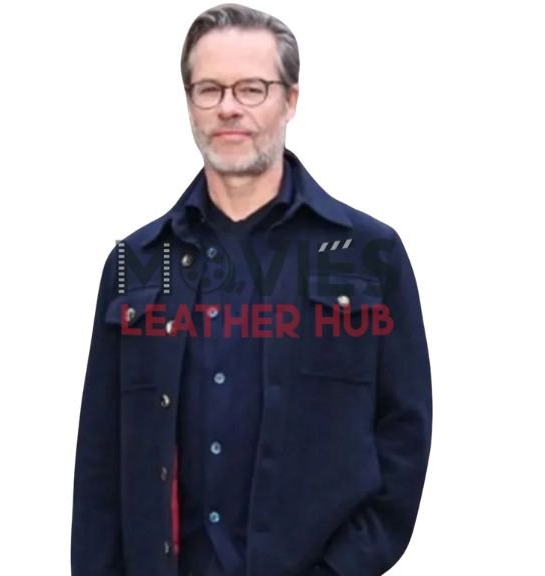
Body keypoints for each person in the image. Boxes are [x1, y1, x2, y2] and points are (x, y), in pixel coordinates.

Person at [70, 4, 432, 576]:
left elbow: (404, 441)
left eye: (252, 89)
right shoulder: (135, 264)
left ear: (291, 100)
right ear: (189, 102)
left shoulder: (370, 255)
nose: (228, 107)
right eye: (209, 89)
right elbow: (99, 462)